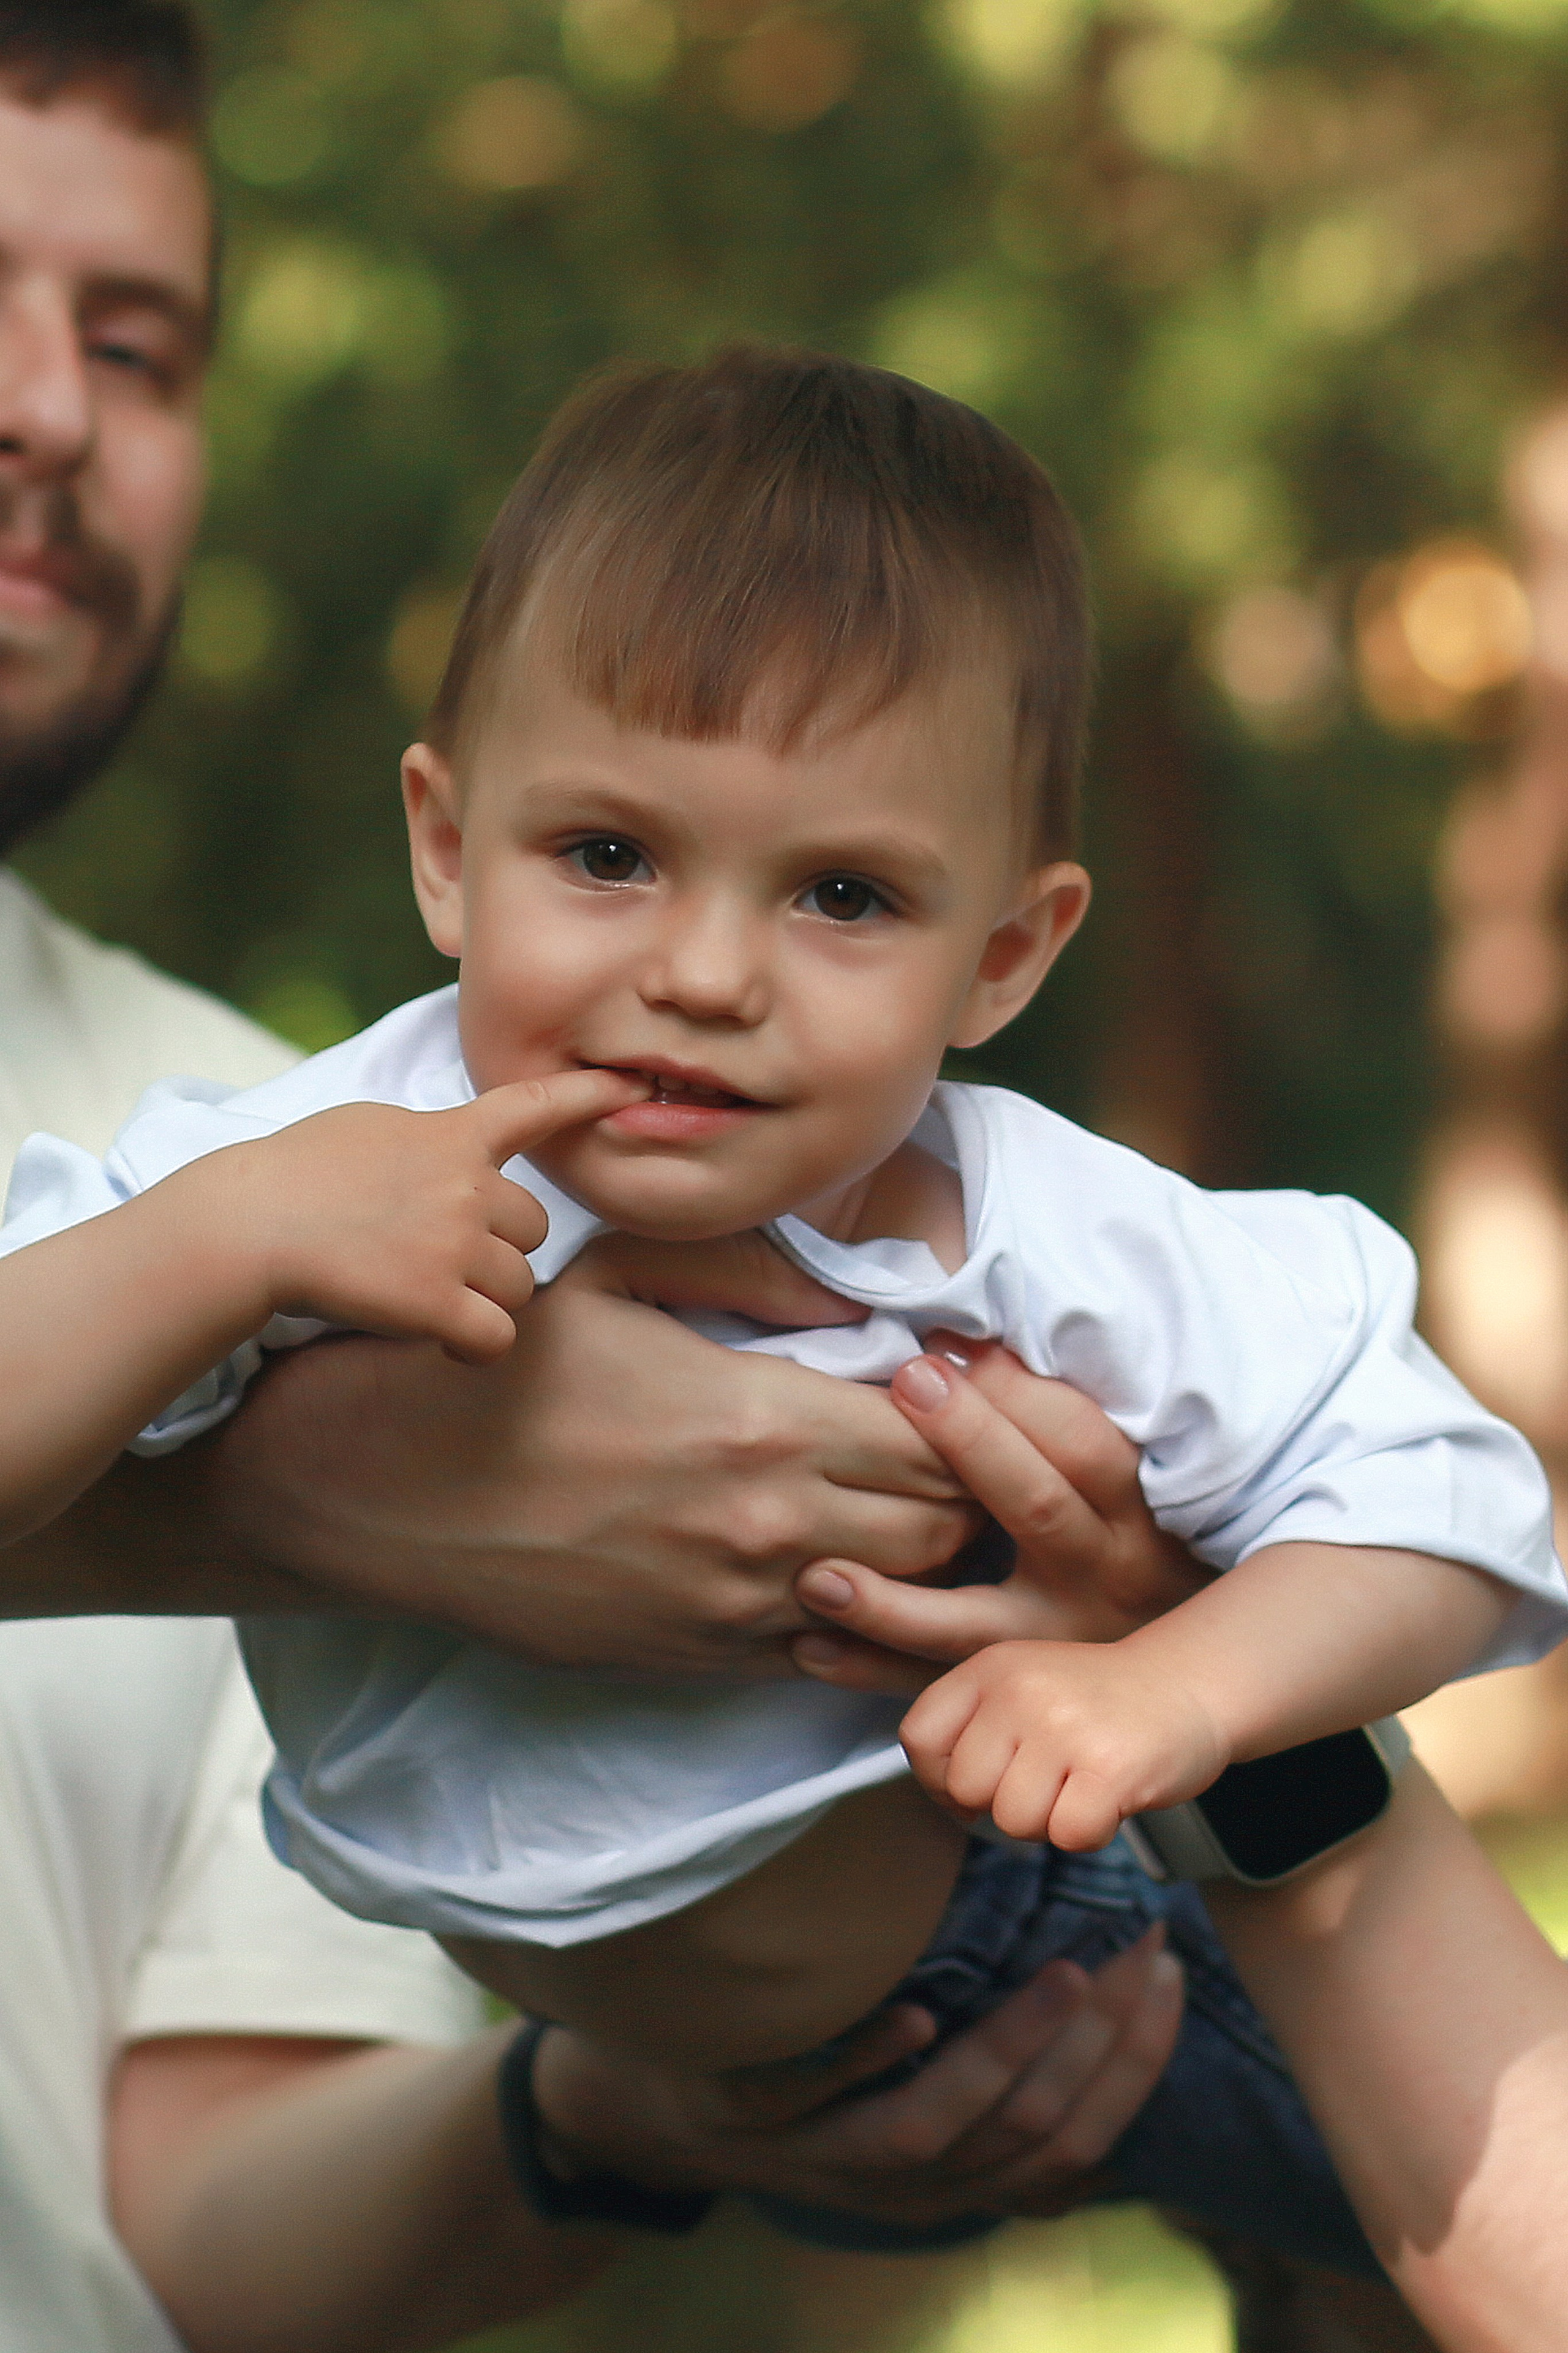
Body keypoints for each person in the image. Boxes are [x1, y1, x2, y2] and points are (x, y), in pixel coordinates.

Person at [4, 341, 1560, 2300]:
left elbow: (1449, 1507)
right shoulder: (321, 1166)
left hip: (1037, 1938)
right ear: (443, 844)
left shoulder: (1034, 1232)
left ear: (1003, 952)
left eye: (840, 891)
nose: (708, 971)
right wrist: (211, 1249)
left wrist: (1176, 1693)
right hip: (714, 2086)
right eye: (607, 854)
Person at [0, 9, 1207, 2347]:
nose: (45, 405)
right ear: (458, 842)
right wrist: (294, 1501)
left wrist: (647, 2099)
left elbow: (178, 2225)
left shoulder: (311, 1144)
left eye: (133, 342)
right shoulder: (234, 1228)